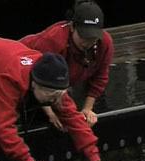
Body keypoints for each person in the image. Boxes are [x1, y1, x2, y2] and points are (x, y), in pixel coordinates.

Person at [20, 0, 113, 131]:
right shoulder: (53, 41)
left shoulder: (105, 44)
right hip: (24, 68)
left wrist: (87, 108)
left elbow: (101, 77)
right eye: (83, 36)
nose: (88, 43)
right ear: (72, 27)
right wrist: (49, 112)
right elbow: (36, 80)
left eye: (93, 38)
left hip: (59, 82)